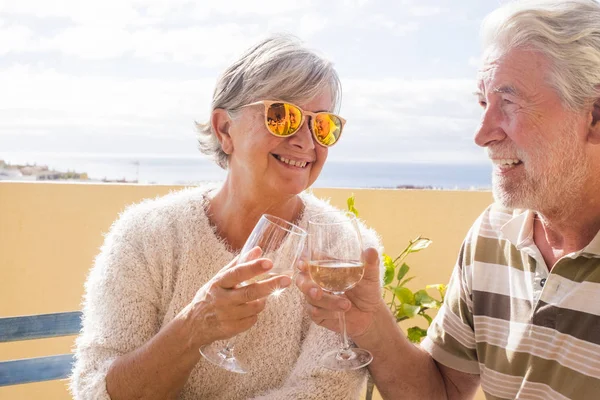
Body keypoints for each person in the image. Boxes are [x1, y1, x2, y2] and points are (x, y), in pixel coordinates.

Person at [296, 0, 600, 399]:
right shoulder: (494, 234)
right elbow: (442, 390)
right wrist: (370, 325)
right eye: (482, 103)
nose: (482, 134)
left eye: (508, 103)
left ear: (594, 115)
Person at [70, 34, 381, 400]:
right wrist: (193, 327)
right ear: (224, 129)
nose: (306, 141)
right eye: (281, 116)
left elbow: (326, 392)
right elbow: (96, 391)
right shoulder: (145, 236)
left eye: (322, 125)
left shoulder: (342, 245)